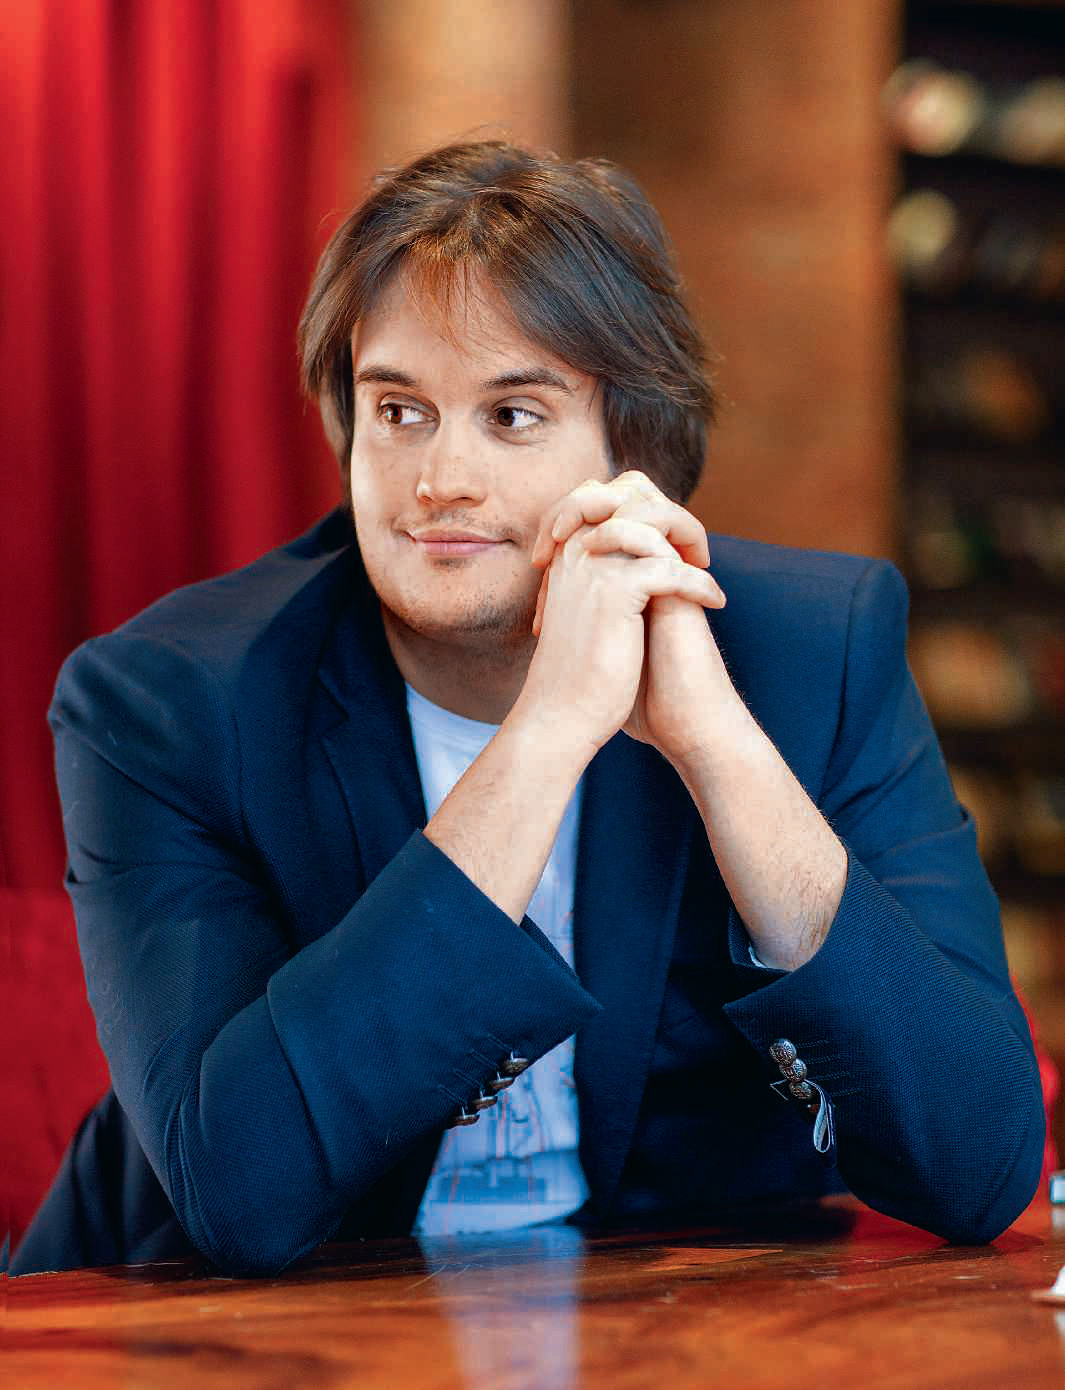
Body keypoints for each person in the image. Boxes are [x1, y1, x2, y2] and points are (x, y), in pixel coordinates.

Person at [12, 140, 1044, 1277]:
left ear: (633, 451)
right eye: (399, 410)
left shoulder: (813, 652)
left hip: (665, 1332)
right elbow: (241, 1194)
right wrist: (545, 734)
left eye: (511, 416)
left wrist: (718, 749)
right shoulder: (166, 702)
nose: (440, 479)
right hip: (188, 1327)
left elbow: (979, 1165)